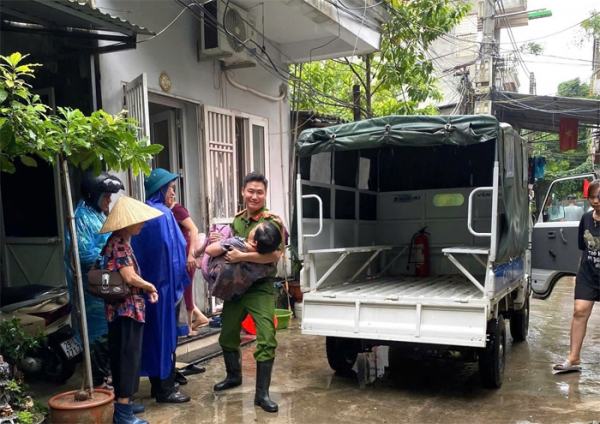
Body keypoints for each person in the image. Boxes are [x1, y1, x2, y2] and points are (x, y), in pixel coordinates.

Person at [213, 172, 284, 413]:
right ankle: (233, 376)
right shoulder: (238, 220)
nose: (255, 196)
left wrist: (243, 256)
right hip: (236, 287)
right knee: (228, 334)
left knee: (266, 336)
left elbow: (274, 255)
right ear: (243, 191)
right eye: (251, 191)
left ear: (265, 194)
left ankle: (261, 395)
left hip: (260, 287)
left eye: (260, 192)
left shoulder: (272, 221)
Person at [96, 196, 162, 424]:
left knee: (126, 356)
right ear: (126, 223)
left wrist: (145, 289)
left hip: (124, 310)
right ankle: (123, 412)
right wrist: (149, 285)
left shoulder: (116, 242)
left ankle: (125, 405)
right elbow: (129, 276)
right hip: (125, 311)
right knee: (126, 358)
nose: (142, 223)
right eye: (138, 220)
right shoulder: (120, 244)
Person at [130, 169, 191, 403]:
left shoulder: (142, 213)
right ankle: (165, 390)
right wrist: (178, 285)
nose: (173, 192)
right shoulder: (164, 214)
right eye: (171, 188)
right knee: (166, 337)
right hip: (166, 288)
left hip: (146, 288)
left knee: (152, 335)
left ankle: (158, 385)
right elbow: (175, 252)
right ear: (161, 190)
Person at [64, 171, 123, 390]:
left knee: (107, 336)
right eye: (106, 196)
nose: (109, 200)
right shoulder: (81, 218)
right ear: (93, 194)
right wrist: (109, 252)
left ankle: (105, 381)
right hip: (92, 290)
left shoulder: (97, 214)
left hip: (104, 286)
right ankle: (98, 385)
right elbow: (81, 255)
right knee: (97, 339)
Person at [554, 180, 600, 372]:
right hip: (588, 274)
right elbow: (583, 249)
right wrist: (578, 272)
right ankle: (573, 359)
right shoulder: (586, 218)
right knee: (579, 311)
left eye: (599, 197)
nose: (596, 201)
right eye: (592, 197)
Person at [163, 180, 210, 335]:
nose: (173, 194)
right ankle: (200, 318)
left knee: (187, 289)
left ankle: (189, 327)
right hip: (175, 255)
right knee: (180, 289)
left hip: (185, 254)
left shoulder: (178, 209)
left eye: (173, 190)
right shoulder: (163, 210)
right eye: (170, 190)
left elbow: (194, 229)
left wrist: (190, 254)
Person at [205, 222, 282, 301]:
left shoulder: (236, 243)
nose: (252, 230)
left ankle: (197, 253)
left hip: (211, 274)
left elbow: (209, 250)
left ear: (255, 242)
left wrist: (223, 242)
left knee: (222, 229)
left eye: (254, 229)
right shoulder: (267, 265)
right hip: (232, 294)